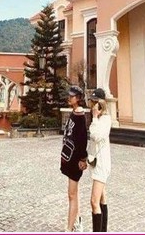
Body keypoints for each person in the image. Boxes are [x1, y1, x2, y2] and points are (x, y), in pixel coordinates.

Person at [61, 86, 88, 232]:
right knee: (73, 193)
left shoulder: (80, 115)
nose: (69, 98)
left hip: (75, 160)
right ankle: (77, 221)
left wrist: (83, 159)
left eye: (71, 96)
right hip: (69, 158)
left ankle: (69, 228)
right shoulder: (74, 112)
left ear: (78, 98)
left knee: (71, 194)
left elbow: (82, 140)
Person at [87, 88, 111, 232]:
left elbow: (96, 136)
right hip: (97, 162)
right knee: (102, 198)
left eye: (95, 102)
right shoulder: (99, 119)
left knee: (94, 202)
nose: (92, 105)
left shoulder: (105, 119)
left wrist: (95, 117)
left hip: (102, 165)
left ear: (101, 104)